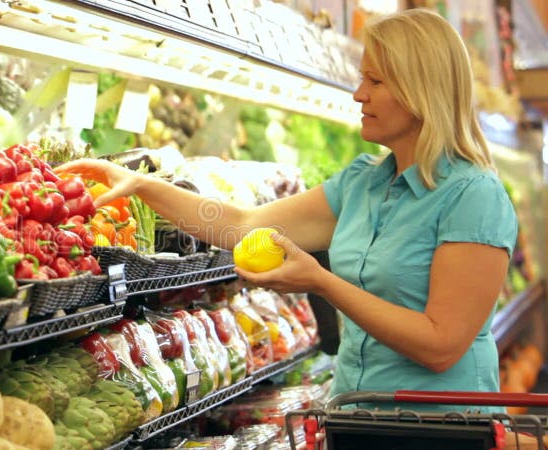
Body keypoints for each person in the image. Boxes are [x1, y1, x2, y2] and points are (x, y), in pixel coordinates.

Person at [57, 8, 518, 412]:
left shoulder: (473, 196)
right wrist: (143, 186)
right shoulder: (362, 183)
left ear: (423, 91)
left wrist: (320, 282)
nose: (359, 94)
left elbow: (440, 346)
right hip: (358, 411)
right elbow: (242, 224)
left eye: (375, 81)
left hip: (443, 426)